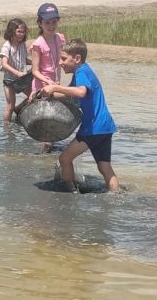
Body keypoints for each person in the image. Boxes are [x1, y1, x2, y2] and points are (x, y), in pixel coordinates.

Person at [37, 39, 119, 193]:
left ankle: (70, 193)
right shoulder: (82, 71)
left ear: (77, 59)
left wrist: (54, 86)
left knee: (64, 159)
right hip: (105, 126)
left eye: (63, 59)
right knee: (104, 166)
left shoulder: (81, 71)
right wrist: (48, 94)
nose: (60, 63)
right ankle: (115, 196)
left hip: (93, 128)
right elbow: (68, 95)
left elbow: (81, 92)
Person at [30, 3, 66, 153]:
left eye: (54, 22)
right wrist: (48, 81)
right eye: (47, 23)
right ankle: (44, 156)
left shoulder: (59, 38)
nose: (51, 26)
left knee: (53, 120)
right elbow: (35, 71)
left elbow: (62, 58)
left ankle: (48, 152)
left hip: (55, 84)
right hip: (42, 87)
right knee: (46, 122)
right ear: (40, 23)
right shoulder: (38, 44)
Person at [0, 18, 30, 122]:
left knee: (34, 95)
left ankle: (19, 108)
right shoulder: (7, 46)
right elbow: (4, 63)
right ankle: (7, 129)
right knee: (10, 106)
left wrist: (35, 63)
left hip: (21, 79)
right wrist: (17, 73)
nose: (21, 34)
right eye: (19, 31)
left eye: (23, 31)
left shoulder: (22, 45)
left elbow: (24, 60)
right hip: (10, 81)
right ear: (12, 31)